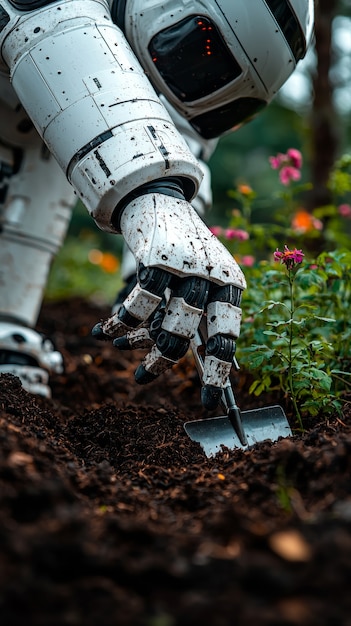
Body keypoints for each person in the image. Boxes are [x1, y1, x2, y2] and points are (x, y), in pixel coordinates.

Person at [0, 0, 314, 407]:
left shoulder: (176, 87)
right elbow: (48, 18)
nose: (195, 82)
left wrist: (157, 262)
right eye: (192, 54)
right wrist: (153, 196)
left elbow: (175, 143)